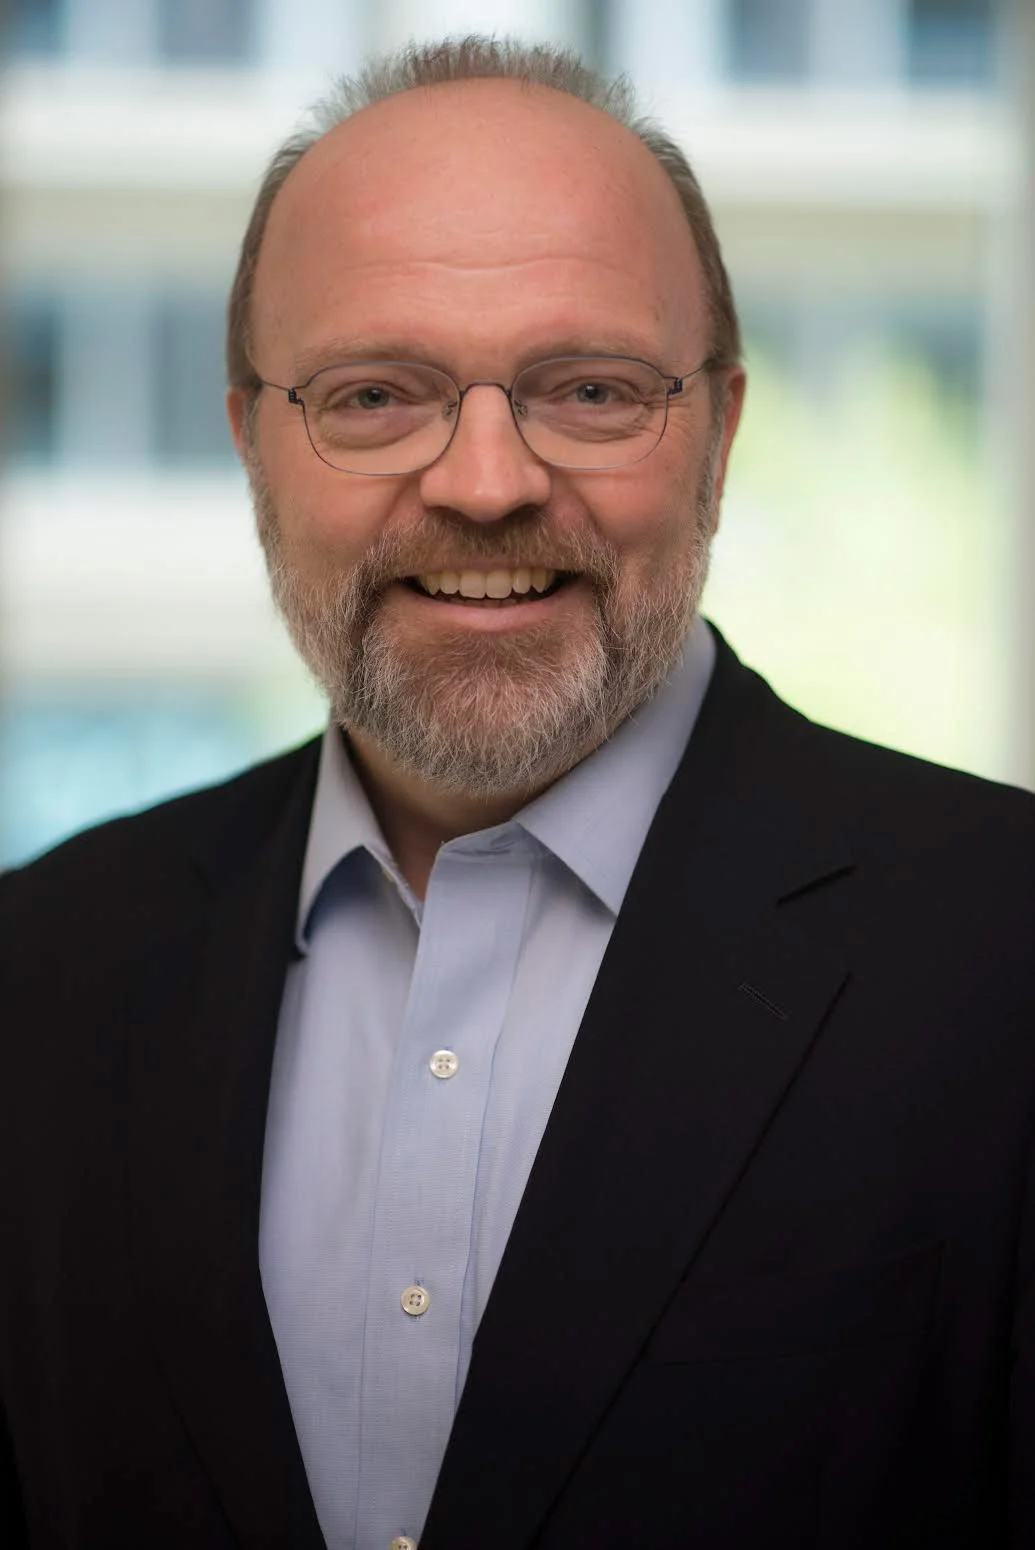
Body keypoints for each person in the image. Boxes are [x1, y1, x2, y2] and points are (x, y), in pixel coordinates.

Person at [1, 33, 1033, 1550]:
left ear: (719, 433)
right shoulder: (40, 967)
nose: (485, 481)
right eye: (372, 394)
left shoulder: (1003, 949)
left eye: (591, 388)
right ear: (250, 443)